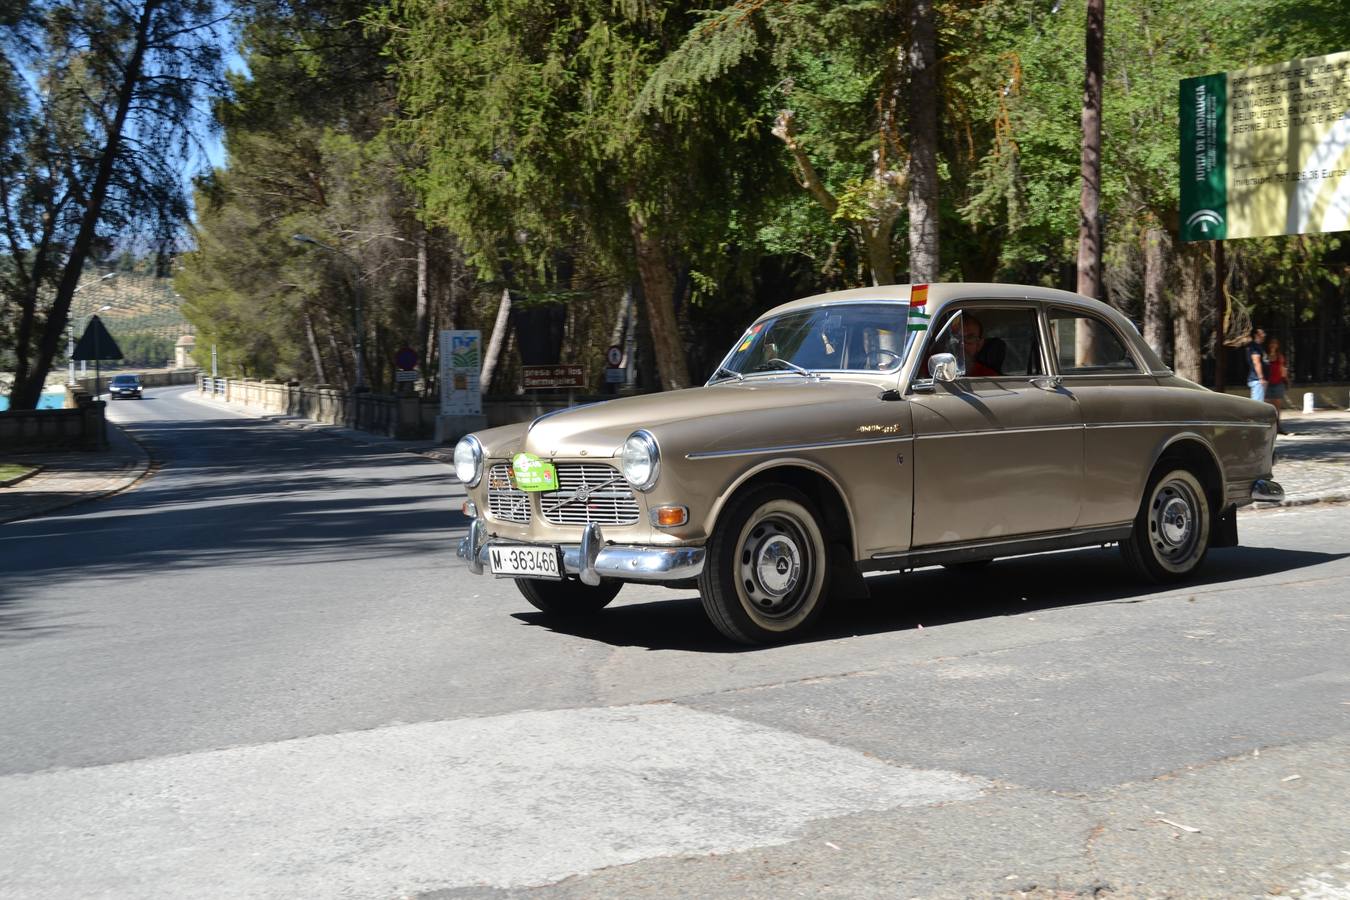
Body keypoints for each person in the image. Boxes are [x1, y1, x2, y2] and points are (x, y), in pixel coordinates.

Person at [1266, 334, 1290, 434]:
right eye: (1272, 343)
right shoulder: (1265, 355)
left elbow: (1283, 369)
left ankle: (1278, 427)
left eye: (1275, 343)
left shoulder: (1280, 356)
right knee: (1267, 407)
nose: (1273, 345)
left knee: (1277, 408)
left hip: (1278, 383)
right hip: (1267, 384)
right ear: (1268, 345)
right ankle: (1268, 428)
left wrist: (1287, 380)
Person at [1245, 326, 1268, 402]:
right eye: (1262, 333)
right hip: (1257, 380)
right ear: (1256, 335)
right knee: (1258, 404)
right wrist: (1261, 378)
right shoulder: (1254, 347)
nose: (1264, 335)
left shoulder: (1258, 346)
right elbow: (1256, 362)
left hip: (1257, 380)